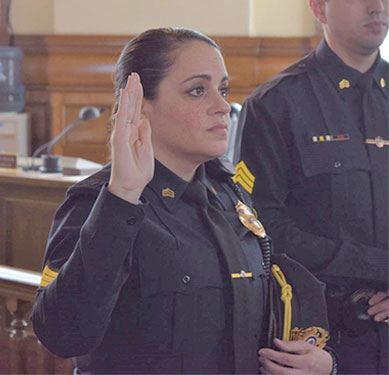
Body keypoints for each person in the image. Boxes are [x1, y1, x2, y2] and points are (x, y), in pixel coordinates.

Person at [31, 28, 335, 374]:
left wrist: (320, 364)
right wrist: (123, 196)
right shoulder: (101, 200)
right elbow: (62, 334)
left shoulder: (229, 194)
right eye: (196, 91)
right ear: (140, 104)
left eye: (222, 90)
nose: (222, 107)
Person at [238, 0, 389, 374]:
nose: (378, 6)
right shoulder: (276, 103)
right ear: (319, 8)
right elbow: (260, 228)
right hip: (318, 331)